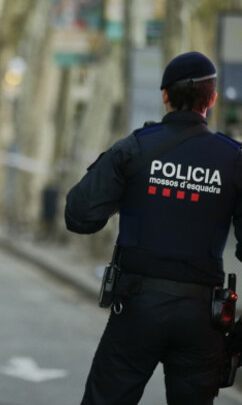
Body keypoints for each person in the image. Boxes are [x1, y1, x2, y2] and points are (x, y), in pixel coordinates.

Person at [65, 51, 242, 405]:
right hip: (202, 317)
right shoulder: (234, 159)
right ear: (212, 99)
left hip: (137, 309)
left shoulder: (135, 149)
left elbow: (80, 216)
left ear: (165, 96)